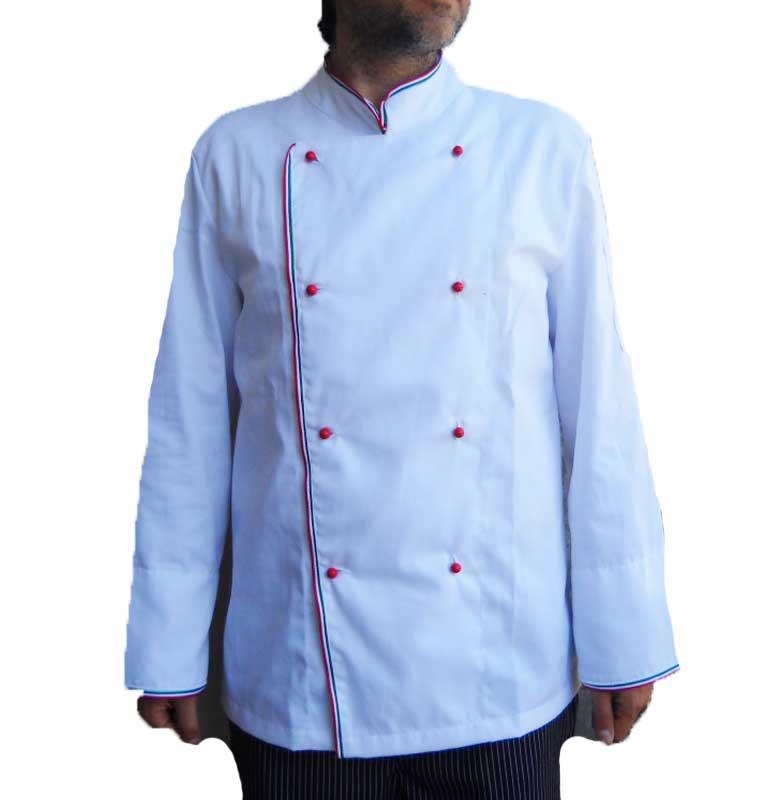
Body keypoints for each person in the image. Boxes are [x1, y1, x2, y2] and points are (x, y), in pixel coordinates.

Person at [124, 1, 680, 797]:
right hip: (302, 680)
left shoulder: (541, 147)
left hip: (498, 671)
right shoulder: (237, 153)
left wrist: (624, 633)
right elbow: (193, 416)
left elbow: (598, 410)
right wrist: (170, 641)